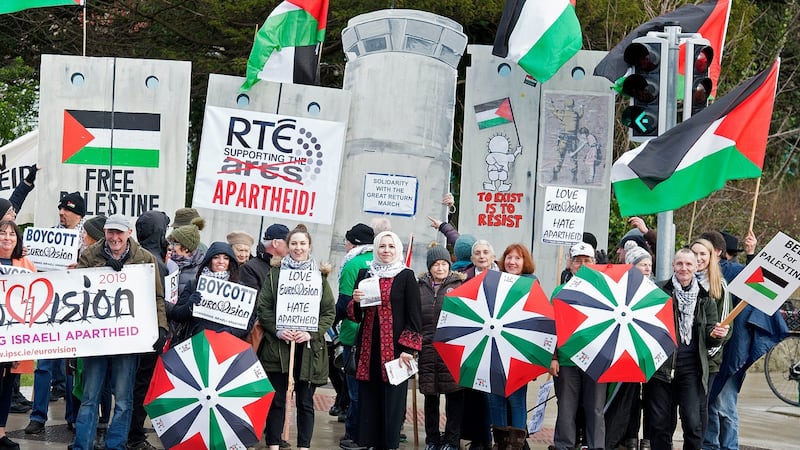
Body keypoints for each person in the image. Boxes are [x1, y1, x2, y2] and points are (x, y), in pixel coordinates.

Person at [72, 214, 168, 450]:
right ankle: (81, 446)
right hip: (96, 340)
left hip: (128, 340)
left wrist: (161, 327)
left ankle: (116, 445)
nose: (114, 237)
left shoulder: (145, 259)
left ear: (129, 234)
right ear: (104, 232)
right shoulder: (90, 255)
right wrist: (104, 269)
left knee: (124, 399)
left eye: (119, 233)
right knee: (90, 397)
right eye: (110, 232)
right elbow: (74, 288)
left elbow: (156, 296)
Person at [257, 224, 335, 450]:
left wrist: (310, 332)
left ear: (309, 247)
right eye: (294, 244)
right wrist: (278, 330)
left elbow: (328, 312)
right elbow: (265, 308)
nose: (298, 248)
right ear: (287, 246)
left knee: (305, 402)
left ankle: (304, 446)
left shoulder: (319, 277)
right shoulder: (275, 274)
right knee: (277, 400)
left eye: (302, 244)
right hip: (279, 349)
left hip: (309, 349)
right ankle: (273, 444)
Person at [642, 248, 728, 450]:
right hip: (660, 368)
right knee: (660, 425)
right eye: (679, 263)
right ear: (673, 265)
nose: (684, 268)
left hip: (691, 370)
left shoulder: (706, 298)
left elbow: (709, 336)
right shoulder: (658, 292)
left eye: (689, 264)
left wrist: (716, 336)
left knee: (693, 424)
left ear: (696, 266)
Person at [350, 231, 422, 450]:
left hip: (396, 352)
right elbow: (357, 316)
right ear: (375, 248)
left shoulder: (406, 276)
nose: (387, 250)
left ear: (397, 249)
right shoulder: (366, 273)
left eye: (391, 246)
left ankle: (388, 445)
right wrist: (355, 301)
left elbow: (415, 317)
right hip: (368, 350)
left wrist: (408, 350)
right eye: (382, 246)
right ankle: (370, 443)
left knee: (392, 403)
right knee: (369, 400)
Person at [25, 191, 87, 436]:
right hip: (49, 306)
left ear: (79, 214)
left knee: (72, 367)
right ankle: (37, 417)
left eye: (68, 210)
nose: (62, 213)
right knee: (43, 366)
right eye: (61, 209)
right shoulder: (49, 235)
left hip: (74, 310)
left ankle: (73, 416)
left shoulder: (88, 238)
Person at [550, 242, 606, 450]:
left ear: (594, 263)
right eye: (577, 260)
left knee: (595, 408)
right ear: (569, 264)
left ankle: (596, 446)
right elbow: (550, 327)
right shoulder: (559, 292)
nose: (582, 264)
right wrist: (553, 357)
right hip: (567, 359)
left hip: (597, 359)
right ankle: (563, 445)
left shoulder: (605, 290)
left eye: (587, 260)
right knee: (566, 407)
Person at [603, 241, 654, 450]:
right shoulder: (621, 288)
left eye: (649, 264)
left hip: (647, 353)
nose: (648, 268)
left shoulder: (655, 289)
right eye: (643, 264)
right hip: (624, 353)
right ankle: (623, 438)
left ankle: (638, 437)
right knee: (625, 399)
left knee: (643, 400)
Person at [487, 243, 535, 445]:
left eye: (517, 258)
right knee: (495, 399)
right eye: (509, 257)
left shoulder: (531, 284)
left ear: (525, 262)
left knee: (516, 399)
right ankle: (500, 443)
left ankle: (516, 444)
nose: (512, 262)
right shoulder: (494, 282)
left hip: (518, 351)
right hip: (494, 350)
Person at [419, 243, 465, 450]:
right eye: (435, 264)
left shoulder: (460, 286)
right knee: (431, 399)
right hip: (427, 350)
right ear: (429, 267)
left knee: (454, 398)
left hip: (452, 351)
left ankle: (452, 440)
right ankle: (432, 439)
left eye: (443, 264)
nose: (440, 268)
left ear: (449, 265)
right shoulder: (419, 287)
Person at [336, 223, 375, 450]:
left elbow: (343, 303)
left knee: (355, 389)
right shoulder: (382, 262)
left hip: (354, 332)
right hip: (378, 336)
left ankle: (355, 433)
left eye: (347, 240)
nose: (345, 244)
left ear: (355, 243)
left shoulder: (352, 263)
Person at [0, 219, 36, 450]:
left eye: (12, 234)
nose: (7, 238)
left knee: (7, 387)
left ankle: (0, 432)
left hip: (14, 340)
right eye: (2, 233)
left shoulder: (25, 263)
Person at [172, 241, 250, 341]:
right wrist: (189, 306)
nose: (221, 261)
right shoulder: (194, 285)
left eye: (226, 258)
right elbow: (176, 315)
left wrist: (231, 331)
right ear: (209, 260)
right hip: (195, 341)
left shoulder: (240, 290)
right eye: (216, 257)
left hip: (224, 343)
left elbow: (247, 322)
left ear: (230, 262)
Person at [240, 223, 290, 292]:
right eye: (288, 243)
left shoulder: (288, 267)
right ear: (275, 243)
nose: (291, 247)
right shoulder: (249, 269)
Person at [167, 217, 205, 297]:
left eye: (175, 244)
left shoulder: (201, 269)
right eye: (171, 243)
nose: (170, 247)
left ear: (186, 248)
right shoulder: (167, 262)